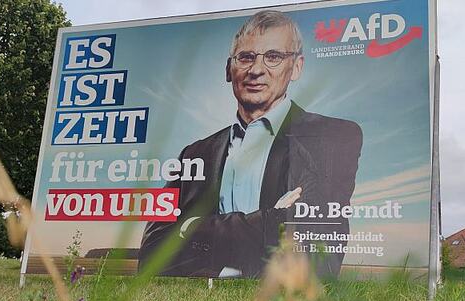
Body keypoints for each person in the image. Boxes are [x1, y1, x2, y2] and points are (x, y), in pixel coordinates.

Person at [139, 10, 362, 278]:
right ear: (228, 69)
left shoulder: (333, 137)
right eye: (245, 57)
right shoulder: (194, 154)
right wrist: (270, 220)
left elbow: (312, 238)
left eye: (274, 57)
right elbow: (152, 254)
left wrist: (190, 227)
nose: (256, 70)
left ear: (297, 67)